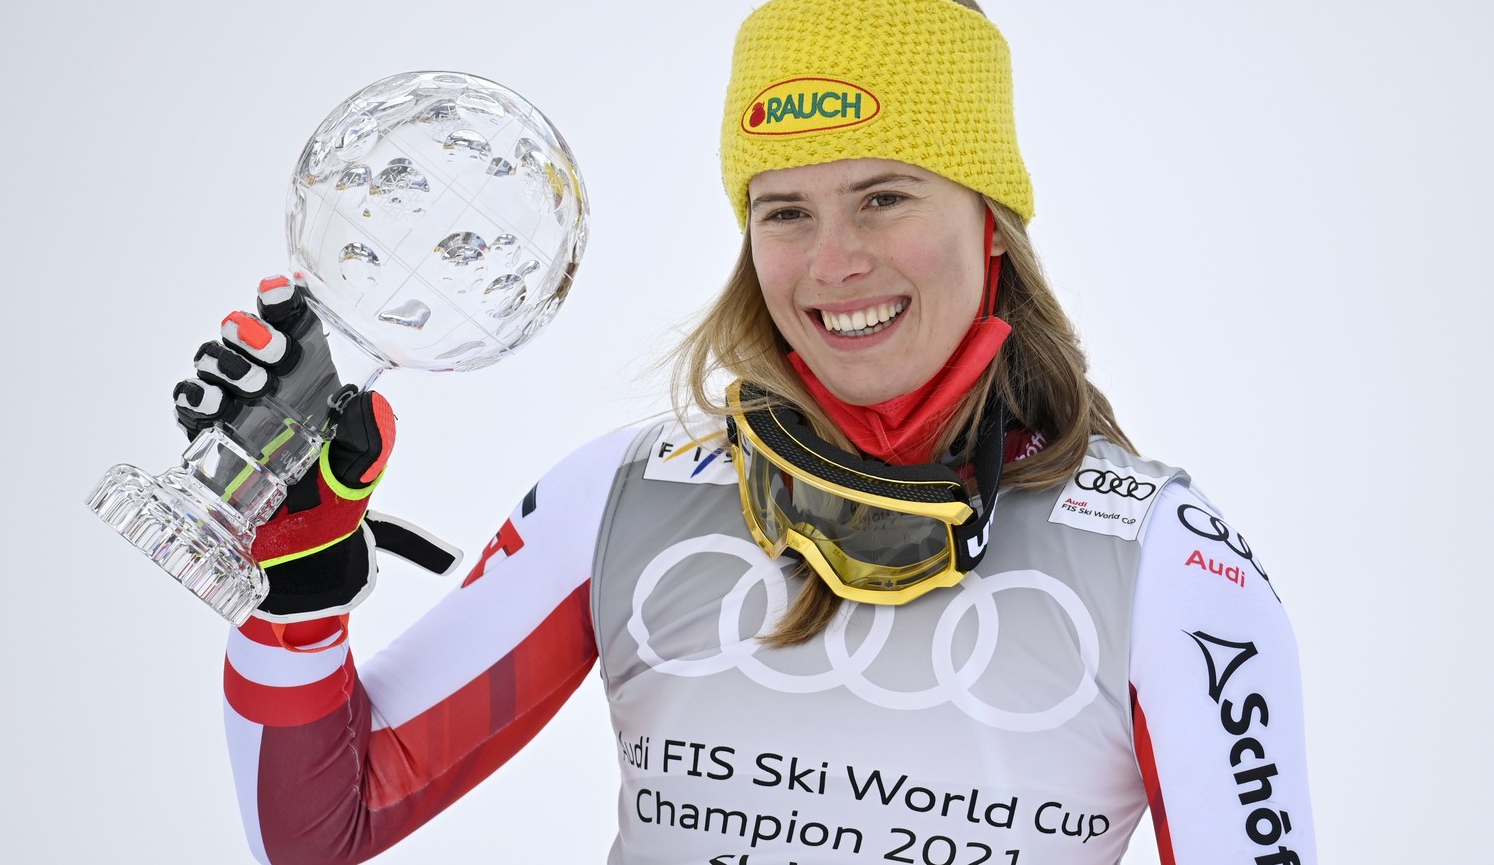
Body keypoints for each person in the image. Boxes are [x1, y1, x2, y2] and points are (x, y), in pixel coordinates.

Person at [184, 1, 1315, 862]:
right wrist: (296, 585)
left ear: (991, 223)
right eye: (787, 211)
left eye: (884, 196)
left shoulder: (1162, 558)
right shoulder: (631, 496)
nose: (834, 264)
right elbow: (321, 828)